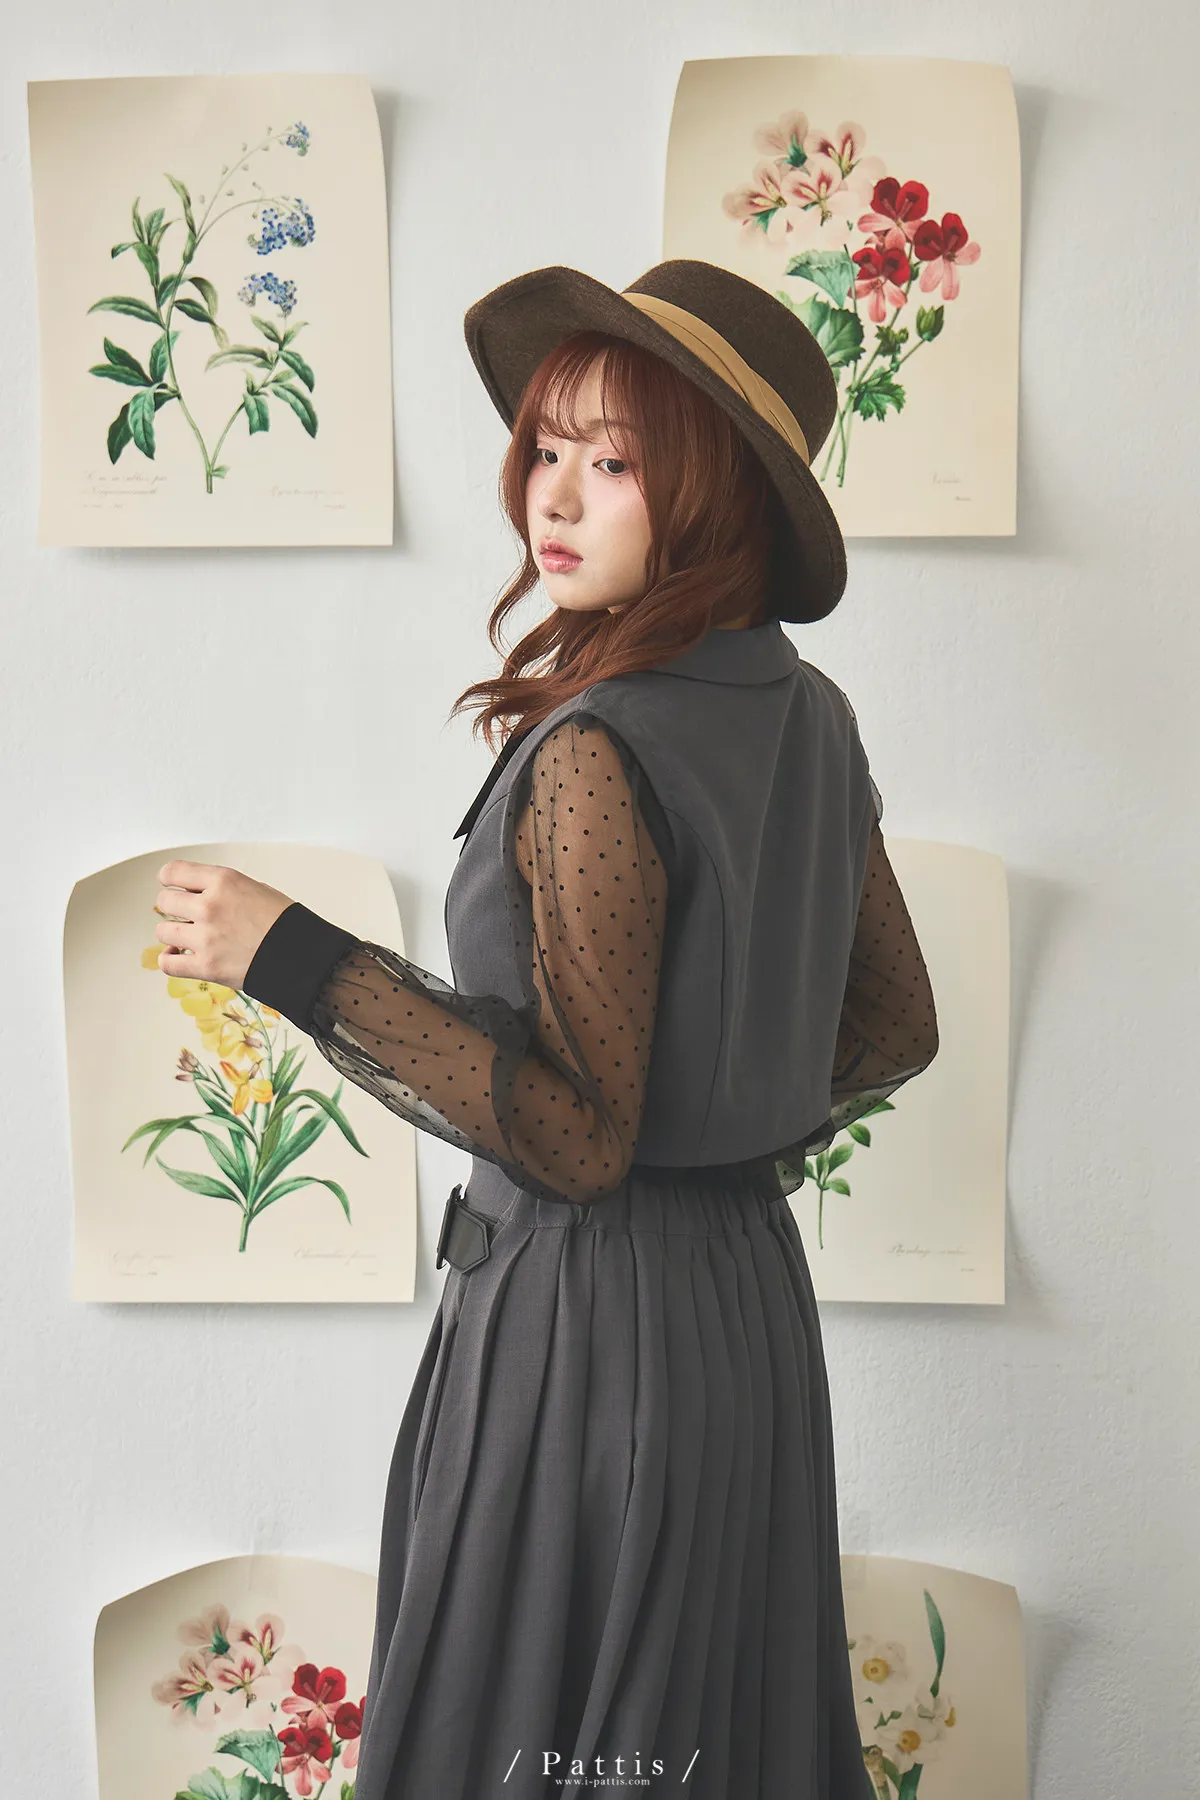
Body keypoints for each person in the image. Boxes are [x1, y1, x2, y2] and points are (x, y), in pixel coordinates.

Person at [151, 258, 939, 1799]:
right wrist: (729, 1114)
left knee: (524, 1741)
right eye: (548, 448)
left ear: (713, 493)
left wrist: (290, 957)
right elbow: (896, 1023)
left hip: (586, 1330)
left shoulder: (598, 744)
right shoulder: (815, 714)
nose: (552, 496)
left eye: (615, 461)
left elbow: (576, 1137)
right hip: (747, 1315)